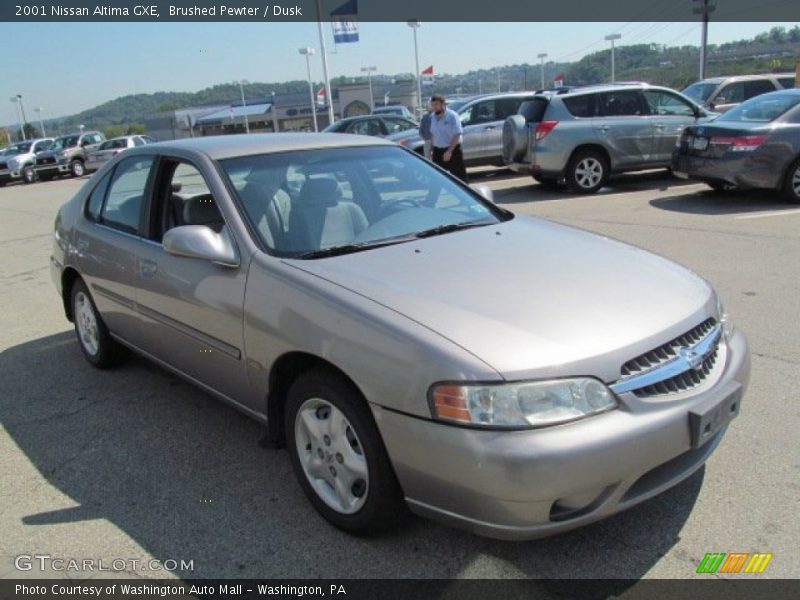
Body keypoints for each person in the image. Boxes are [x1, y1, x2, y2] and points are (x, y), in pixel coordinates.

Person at [428, 94, 467, 181]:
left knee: (459, 178)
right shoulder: (432, 117)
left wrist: (449, 151)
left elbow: (457, 134)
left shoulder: (452, 116)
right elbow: (433, 134)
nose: (434, 107)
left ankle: (464, 194)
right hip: (438, 151)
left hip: (453, 151)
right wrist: (431, 150)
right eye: (433, 105)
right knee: (437, 177)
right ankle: (433, 194)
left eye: (436, 104)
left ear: (443, 104)